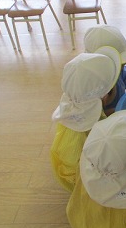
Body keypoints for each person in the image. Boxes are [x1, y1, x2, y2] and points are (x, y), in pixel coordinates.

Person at [50, 47, 121, 192]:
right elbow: (74, 166)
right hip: (83, 179)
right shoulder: (80, 136)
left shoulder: (78, 100)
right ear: (105, 97)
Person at [84, 25, 126, 116]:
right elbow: (95, 116)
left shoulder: (119, 70)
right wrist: (121, 110)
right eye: (121, 64)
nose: (123, 66)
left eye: (123, 63)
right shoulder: (91, 86)